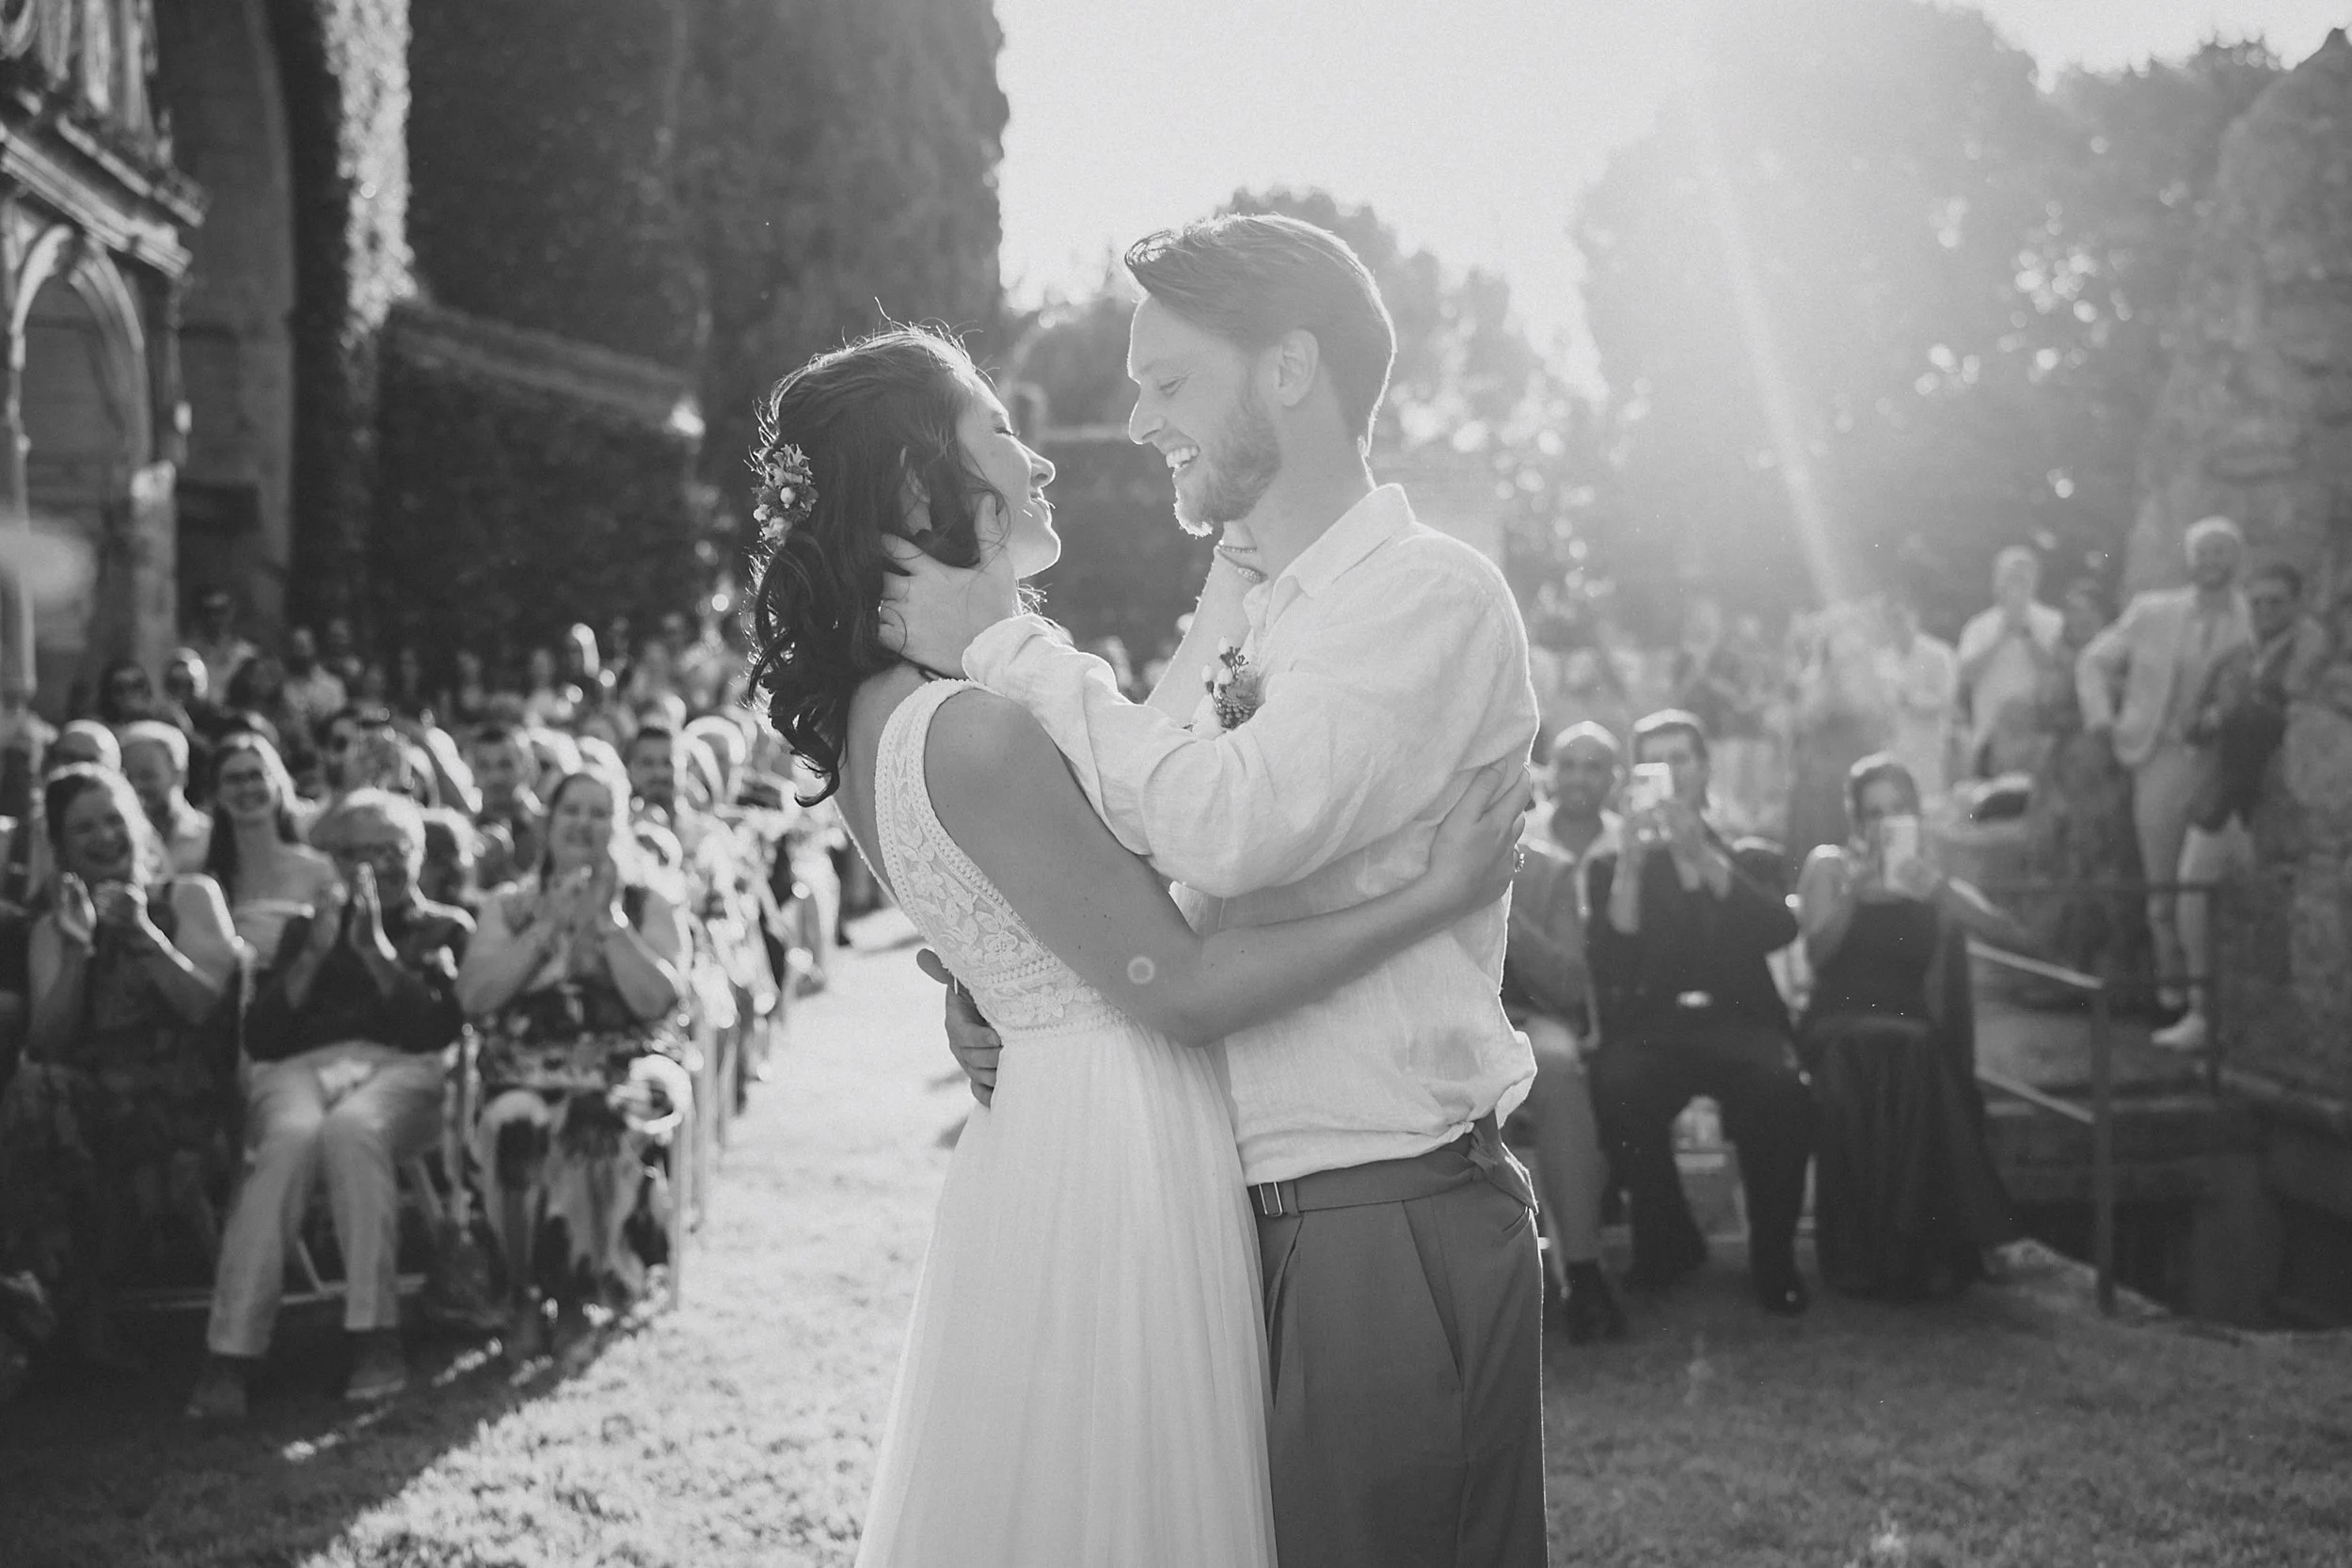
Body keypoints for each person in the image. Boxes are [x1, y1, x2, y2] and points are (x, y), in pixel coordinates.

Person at [887, 214, 1547, 1568]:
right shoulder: (1263, 608)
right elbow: (1158, 878)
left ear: (1289, 370)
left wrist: (1009, 645)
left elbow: (1231, 827)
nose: (1136, 422)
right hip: (1233, 1206)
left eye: (1169, 381)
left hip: (1382, 1206)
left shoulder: (1426, 595)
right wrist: (1002, 976)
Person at [188, 791, 471, 1418]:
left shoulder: (447, 926)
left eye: (390, 850)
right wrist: (315, 954)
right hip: (299, 1070)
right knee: (289, 1137)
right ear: (333, 861)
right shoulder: (302, 928)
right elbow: (262, 1037)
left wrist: (375, 952)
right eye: (355, 853)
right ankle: (231, 1352)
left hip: (403, 1070)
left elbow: (434, 1031)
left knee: (353, 1128)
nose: (374, 866)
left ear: (417, 854)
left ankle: (375, 1335)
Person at [0, 767, 240, 1366]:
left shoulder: (190, 897)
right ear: (60, 848)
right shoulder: (51, 933)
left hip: (181, 1097)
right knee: (38, 1093)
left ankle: (37, 1296)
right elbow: (47, 1043)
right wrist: (79, 951)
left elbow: (203, 1005)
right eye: (84, 828)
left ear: (137, 824)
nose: (105, 836)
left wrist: (145, 937)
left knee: (38, 1107)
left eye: (114, 819)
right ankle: (46, 1298)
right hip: (86, 1104)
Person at [456, 768, 696, 1360]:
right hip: (525, 1066)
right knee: (517, 1124)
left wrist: (606, 924)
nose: (584, 824)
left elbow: (658, 1001)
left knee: (599, 1116)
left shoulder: (647, 903)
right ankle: (522, 1296)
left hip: (627, 1063)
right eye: (572, 811)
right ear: (548, 821)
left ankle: (575, 1296)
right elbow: (476, 998)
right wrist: (545, 931)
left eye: (599, 813)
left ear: (618, 828)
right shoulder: (509, 906)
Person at [1583, 709, 1814, 1315]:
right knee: (1616, 1083)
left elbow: (1778, 927)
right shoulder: (1613, 866)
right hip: (1655, 1030)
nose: (1670, 771)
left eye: (1680, 757)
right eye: (1654, 760)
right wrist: (1633, 860)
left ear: (1704, 767)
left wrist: (1702, 858)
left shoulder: (1749, 856)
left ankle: (1774, 1257)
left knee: (1782, 1089)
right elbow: (1611, 957)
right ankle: (1667, 1243)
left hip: (1742, 1024)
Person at [1794, 754, 2022, 1298]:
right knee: (1906, 1051)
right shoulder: (1829, 865)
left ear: (1915, 813)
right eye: (1872, 812)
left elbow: (2002, 929)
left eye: (1896, 810)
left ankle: (1918, 1249)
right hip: (1839, 1018)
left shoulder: (1926, 870)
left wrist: (1936, 889)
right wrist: (1856, 891)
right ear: (1854, 818)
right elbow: (1819, 955)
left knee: (1921, 1048)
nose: (1884, 822)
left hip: (1908, 1021)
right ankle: (1906, 1250)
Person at [2075, 515, 2252, 1020]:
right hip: (2158, 758)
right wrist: (2103, 722)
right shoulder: (2152, 612)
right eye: (2203, 551)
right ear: (2189, 559)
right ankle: (2171, 996)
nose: (2211, 561)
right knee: (2163, 886)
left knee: (2206, 884)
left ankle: (2210, 1004)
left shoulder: (2250, 618)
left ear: (2236, 559)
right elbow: (2092, 661)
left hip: (2221, 764)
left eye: (2221, 551)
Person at [2155, 561, 2329, 1052]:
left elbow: (2289, 707)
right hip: (2221, 797)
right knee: (2192, 902)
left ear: (2296, 603)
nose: (2265, 611)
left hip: (2279, 801)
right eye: (2257, 602)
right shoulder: (2232, 656)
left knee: (2271, 917)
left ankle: (2269, 1028)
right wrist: (2217, 718)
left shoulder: (2311, 650)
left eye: (2276, 601)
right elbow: (2192, 721)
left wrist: (2238, 714)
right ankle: (2201, 1014)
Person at [1502, 722, 1625, 1342]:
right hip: (1444, 1013)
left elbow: (1572, 988)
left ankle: (1583, 1268)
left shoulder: (1546, 872)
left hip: (1528, 1018)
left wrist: (1506, 910)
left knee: (1557, 1068)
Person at [2020, 582, 2149, 985]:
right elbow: (2041, 711)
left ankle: (2113, 974)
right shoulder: (2056, 659)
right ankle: (2058, 970)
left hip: (2102, 770)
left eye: (2085, 613)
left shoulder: (2118, 659)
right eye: (2071, 614)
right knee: (2056, 863)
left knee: (2105, 864)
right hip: (2061, 772)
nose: (2076, 621)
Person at [202, 733, 340, 961]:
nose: (246, 788)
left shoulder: (320, 869)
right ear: (217, 795)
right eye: (233, 779)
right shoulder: (209, 880)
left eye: (256, 776)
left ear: (278, 785)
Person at [1957, 546, 2063, 778]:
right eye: (2010, 578)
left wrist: (2027, 635)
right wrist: (2000, 638)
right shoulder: (1978, 626)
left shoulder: (2053, 622)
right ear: (1997, 582)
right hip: (1988, 738)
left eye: (2023, 579)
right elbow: (1965, 674)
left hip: (2036, 739)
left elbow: (2058, 670)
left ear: (2035, 581)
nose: (2016, 585)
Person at [1879, 589, 1959, 804]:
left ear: (1914, 616)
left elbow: (1947, 701)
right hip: (1895, 753)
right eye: (1890, 619)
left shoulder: (1938, 654)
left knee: (1930, 809)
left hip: (1930, 753)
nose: (1897, 625)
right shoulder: (1882, 661)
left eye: (1900, 617)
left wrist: (1910, 700)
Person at [120, 721, 213, 874]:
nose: (135, 786)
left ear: (180, 774)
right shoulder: (118, 844)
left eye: (147, 776)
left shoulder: (211, 838)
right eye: (127, 777)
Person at [185, 589, 257, 695]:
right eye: (209, 612)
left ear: (231, 613)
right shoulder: (190, 657)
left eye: (221, 612)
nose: (215, 619)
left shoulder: (247, 655)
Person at [280, 626, 347, 735]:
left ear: (314, 646)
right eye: (298, 646)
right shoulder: (286, 688)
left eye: (305, 646)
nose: (302, 652)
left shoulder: (334, 685)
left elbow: (342, 723)